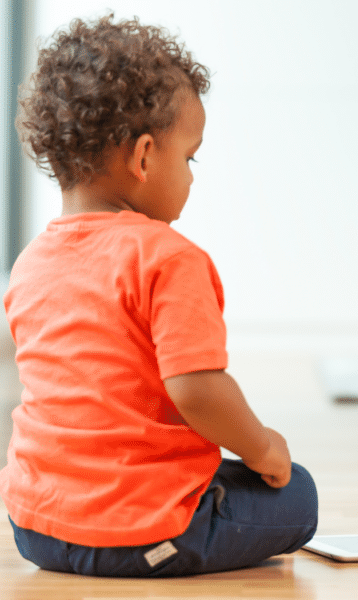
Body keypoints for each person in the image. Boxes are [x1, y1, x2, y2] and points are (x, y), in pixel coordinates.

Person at [1, 15, 317, 576]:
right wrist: (263, 446)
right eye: (190, 156)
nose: (193, 175)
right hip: (142, 534)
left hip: (35, 526)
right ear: (144, 156)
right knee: (300, 495)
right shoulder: (168, 257)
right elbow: (198, 390)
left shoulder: (29, 265)